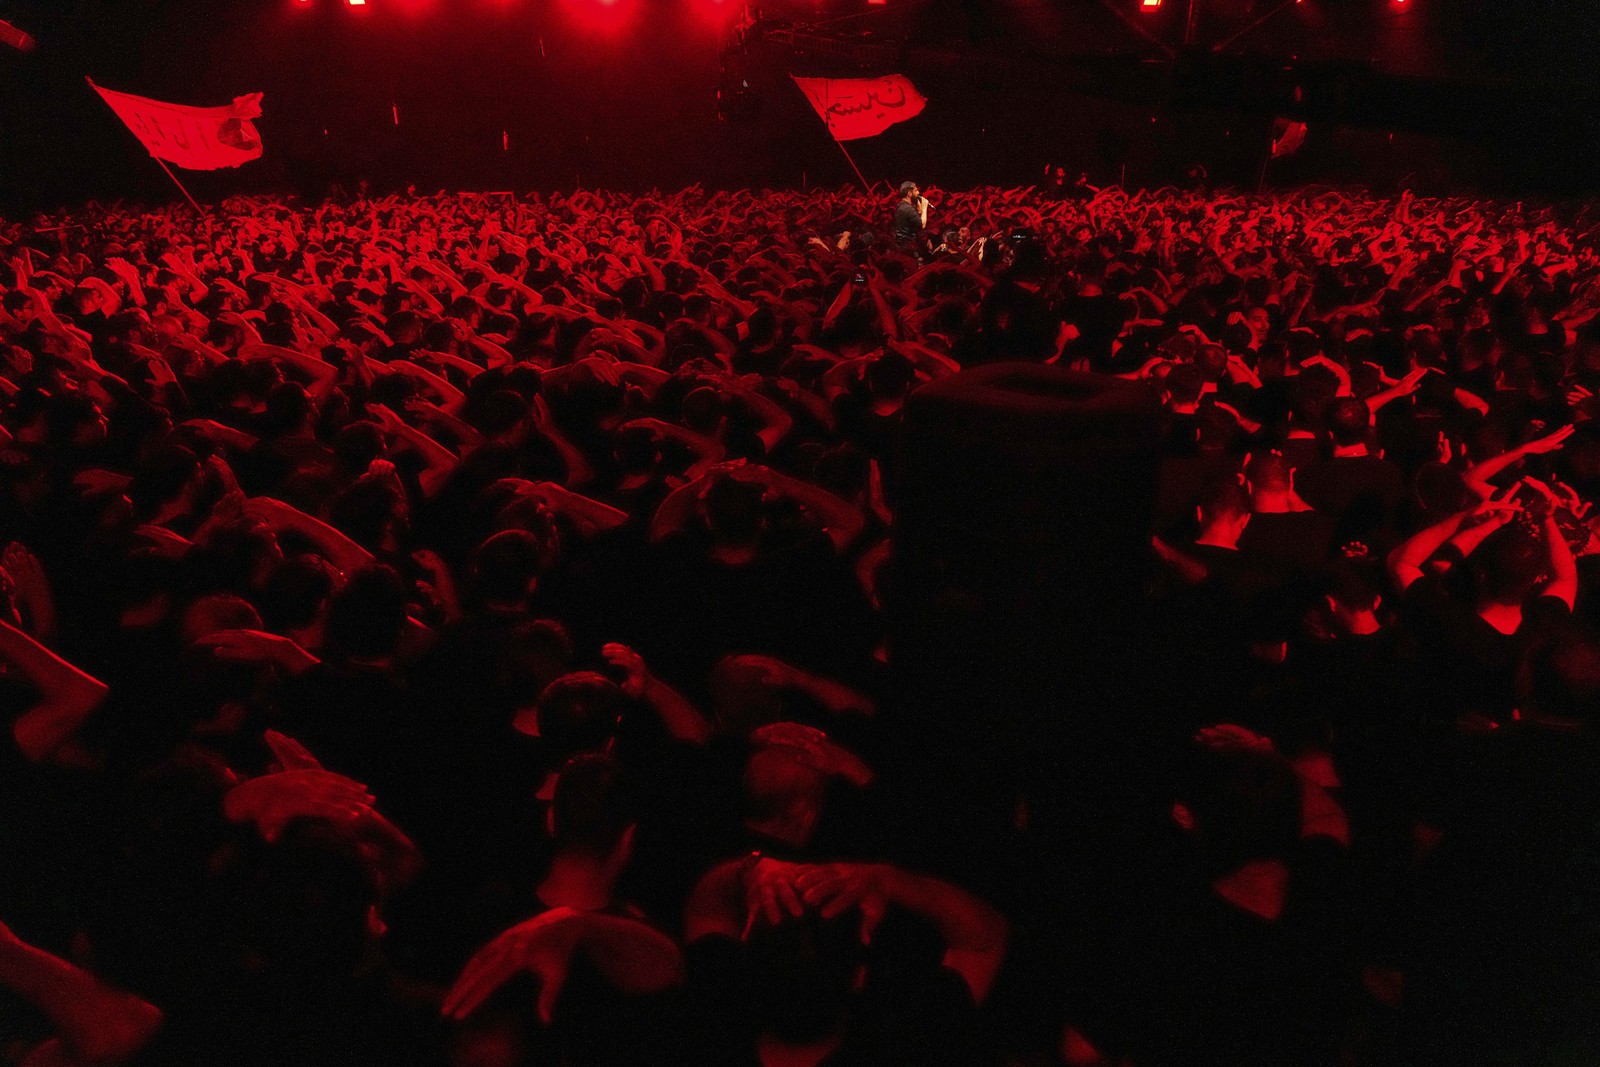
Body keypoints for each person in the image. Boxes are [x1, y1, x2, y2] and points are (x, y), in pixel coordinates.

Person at [891, 181, 927, 253]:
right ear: (909, 193)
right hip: (908, 246)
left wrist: (919, 209)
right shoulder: (908, 208)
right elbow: (922, 225)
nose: (918, 193)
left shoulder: (902, 205)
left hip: (903, 244)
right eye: (916, 190)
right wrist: (924, 208)